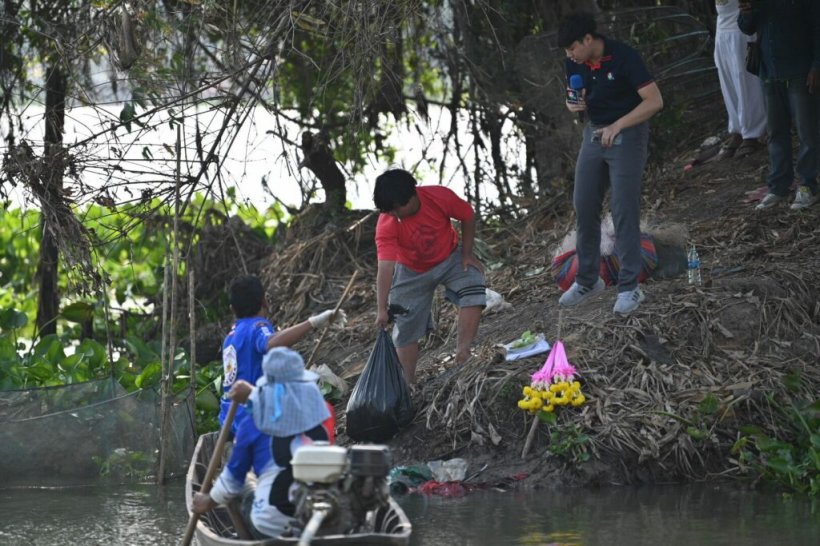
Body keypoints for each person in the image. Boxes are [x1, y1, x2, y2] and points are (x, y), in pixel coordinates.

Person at [557, 12, 663, 315]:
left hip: (627, 134)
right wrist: (572, 103)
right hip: (594, 133)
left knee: (623, 208)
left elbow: (654, 101)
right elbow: (571, 95)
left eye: (572, 48)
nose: (569, 56)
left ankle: (630, 287)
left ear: (588, 40)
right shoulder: (574, 62)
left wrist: (619, 125)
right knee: (585, 203)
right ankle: (589, 280)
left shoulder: (624, 57)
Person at [193, 348, 333, 539]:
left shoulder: (252, 423)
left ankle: (244, 539)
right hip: (322, 523)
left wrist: (207, 501)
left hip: (272, 525)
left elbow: (231, 481)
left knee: (240, 485)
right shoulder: (318, 416)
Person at [373, 169, 486, 384]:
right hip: (411, 270)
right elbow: (385, 267)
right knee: (404, 322)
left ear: (413, 194)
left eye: (399, 208)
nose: (396, 214)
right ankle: (407, 384)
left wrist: (467, 254)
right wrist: (381, 309)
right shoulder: (387, 222)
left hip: (449, 257)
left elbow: (467, 215)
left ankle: (463, 354)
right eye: (391, 211)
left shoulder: (439, 196)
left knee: (473, 283)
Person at [220, 275, 345, 433]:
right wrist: (313, 323)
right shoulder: (257, 326)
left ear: (232, 309)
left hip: (230, 419)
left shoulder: (229, 338)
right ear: (264, 301)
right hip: (254, 414)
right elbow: (271, 343)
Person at [739, 1, 820, 210]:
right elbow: (747, 27)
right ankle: (778, 187)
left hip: (800, 70)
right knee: (776, 132)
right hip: (770, 72)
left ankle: (808, 185)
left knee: (807, 132)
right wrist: (746, 13)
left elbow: (817, 27)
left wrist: (816, 66)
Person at [713, 0, 766, 160]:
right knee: (728, 84)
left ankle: (752, 133)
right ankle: (737, 129)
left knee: (746, 84)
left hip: (740, 30)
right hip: (722, 28)